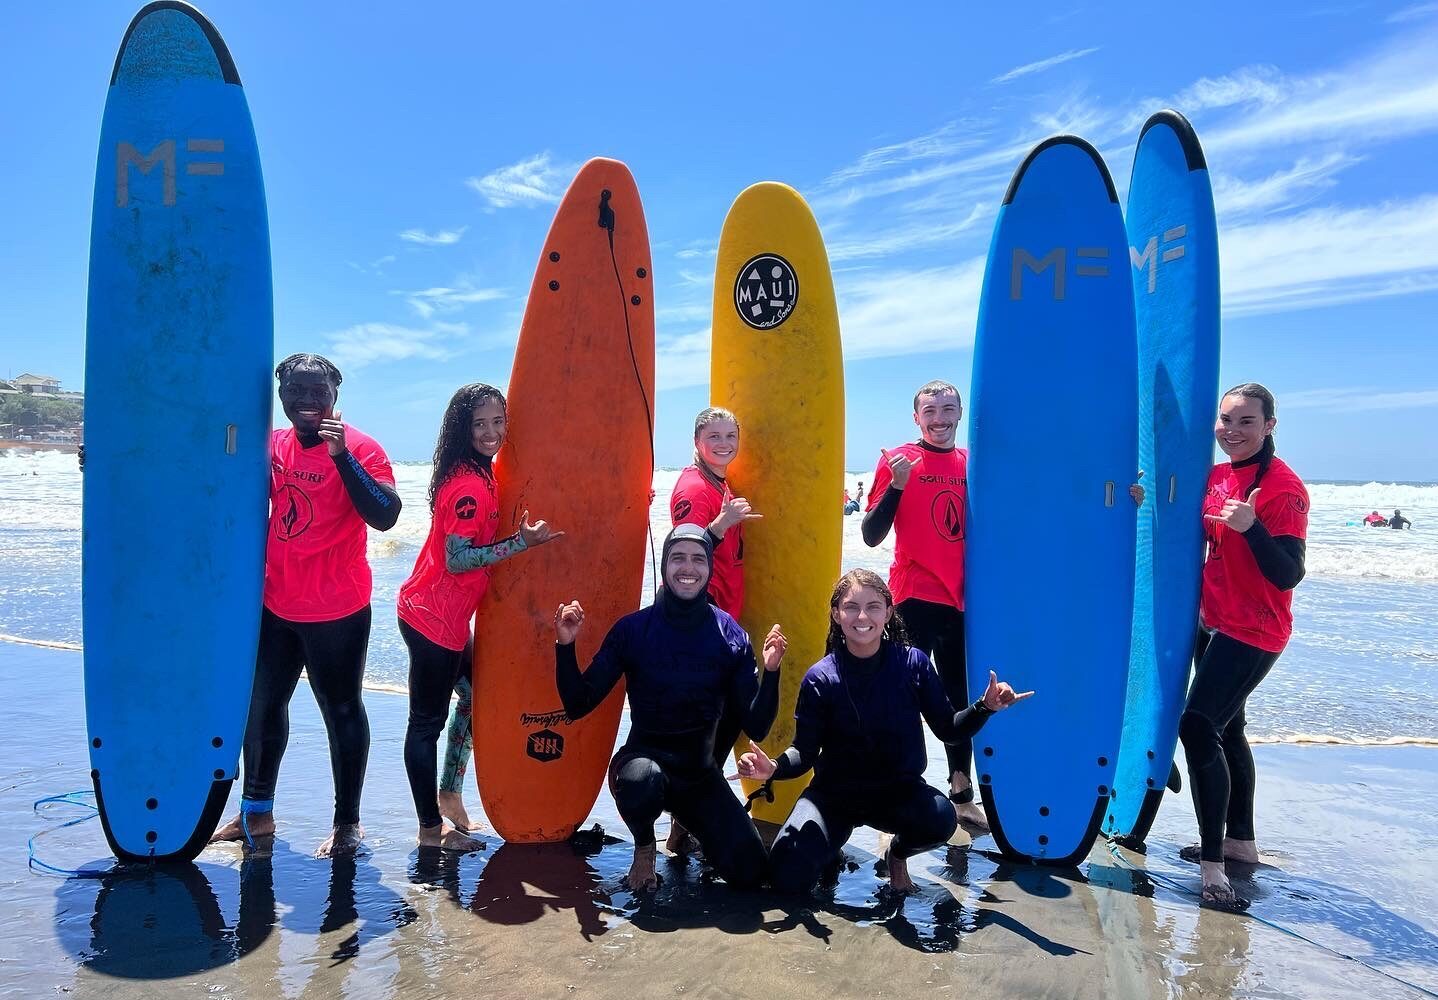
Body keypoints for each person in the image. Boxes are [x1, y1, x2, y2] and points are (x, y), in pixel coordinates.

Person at [212, 354, 400, 857]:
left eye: (318, 392)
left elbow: (385, 516)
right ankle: (257, 812)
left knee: (340, 711)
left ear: (336, 395)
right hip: (277, 604)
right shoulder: (272, 446)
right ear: (281, 396)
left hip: (337, 611)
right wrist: (107, 458)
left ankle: (346, 825)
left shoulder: (363, 449)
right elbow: (207, 478)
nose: (307, 401)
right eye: (296, 391)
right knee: (263, 706)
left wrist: (342, 457)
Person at [741, 569, 1031, 895]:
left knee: (941, 818)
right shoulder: (820, 678)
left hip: (898, 794)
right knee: (786, 878)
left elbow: (949, 730)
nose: (862, 616)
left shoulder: (913, 665)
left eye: (873, 606)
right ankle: (827, 849)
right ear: (836, 614)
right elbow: (804, 753)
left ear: (889, 612)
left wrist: (984, 707)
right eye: (851, 607)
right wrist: (774, 768)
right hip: (834, 797)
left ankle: (897, 855)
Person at [553, 524, 788, 892]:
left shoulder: (731, 636)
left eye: (698, 559)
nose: (687, 567)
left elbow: (757, 726)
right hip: (641, 768)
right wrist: (565, 646)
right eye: (677, 558)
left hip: (699, 776)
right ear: (664, 566)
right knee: (644, 782)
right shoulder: (633, 630)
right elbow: (577, 703)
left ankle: (685, 827)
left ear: (710, 568)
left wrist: (772, 672)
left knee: (751, 873)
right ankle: (645, 847)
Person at [396, 384, 563, 851]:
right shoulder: (470, 485)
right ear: (462, 429)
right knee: (424, 725)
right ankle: (432, 830)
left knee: (473, 697)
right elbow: (457, 560)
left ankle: (450, 788)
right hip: (432, 619)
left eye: (497, 422)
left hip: (445, 616)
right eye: (479, 424)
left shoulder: (479, 472)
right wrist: (521, 544)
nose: (491, 433)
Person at [1179, 383, 1307, 911]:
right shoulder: (1215, 477)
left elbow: (1288, 574)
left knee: (1197, 725)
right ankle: (1240, 842)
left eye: (1246, 422)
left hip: (1253, 630)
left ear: (1269, 426)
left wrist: (1252, 528)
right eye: (1225, 420)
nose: (1232, 430)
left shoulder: (1283, 488)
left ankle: (1214, 868)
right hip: (1213, 623)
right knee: (1229, 728)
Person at [666, 407, 763, 854]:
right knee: (712, 721)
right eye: (714, 436)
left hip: (723, 618)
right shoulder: (692, 486)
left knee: (721, 720)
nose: (724, 444)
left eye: (731, 436)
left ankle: (686, 822)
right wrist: (723, 523)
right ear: (696, 439)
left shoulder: (719, 483)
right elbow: (684, 553)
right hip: (704, 621)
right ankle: (684, 821)